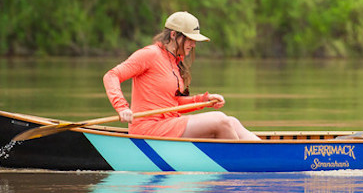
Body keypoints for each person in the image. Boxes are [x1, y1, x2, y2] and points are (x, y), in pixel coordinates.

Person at [103, 11, 260, 140]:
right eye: (190, 39)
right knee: (221, 121)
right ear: (173, 35)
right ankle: (242, 168)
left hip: (169, 123)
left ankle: (264, 153)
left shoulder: (174, 62)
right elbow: (111, 76)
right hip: (148, 129)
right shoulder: (149, 54)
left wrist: (204, 100)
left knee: (231, 121)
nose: (193, 45)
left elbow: (174, 103)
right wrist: (122, 107)